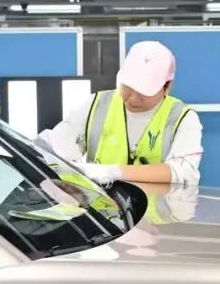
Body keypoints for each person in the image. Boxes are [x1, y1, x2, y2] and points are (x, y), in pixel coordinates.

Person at [37, 39, 202, 187]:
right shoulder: (97, 104)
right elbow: (59, 143)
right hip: (101, 209)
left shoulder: (182, 118)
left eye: (144, 92)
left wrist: (114, 172)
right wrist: (67, 165)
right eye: (127, 87)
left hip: (157, 210)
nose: (133, 99)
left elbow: (185, 172)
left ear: (167, 86)